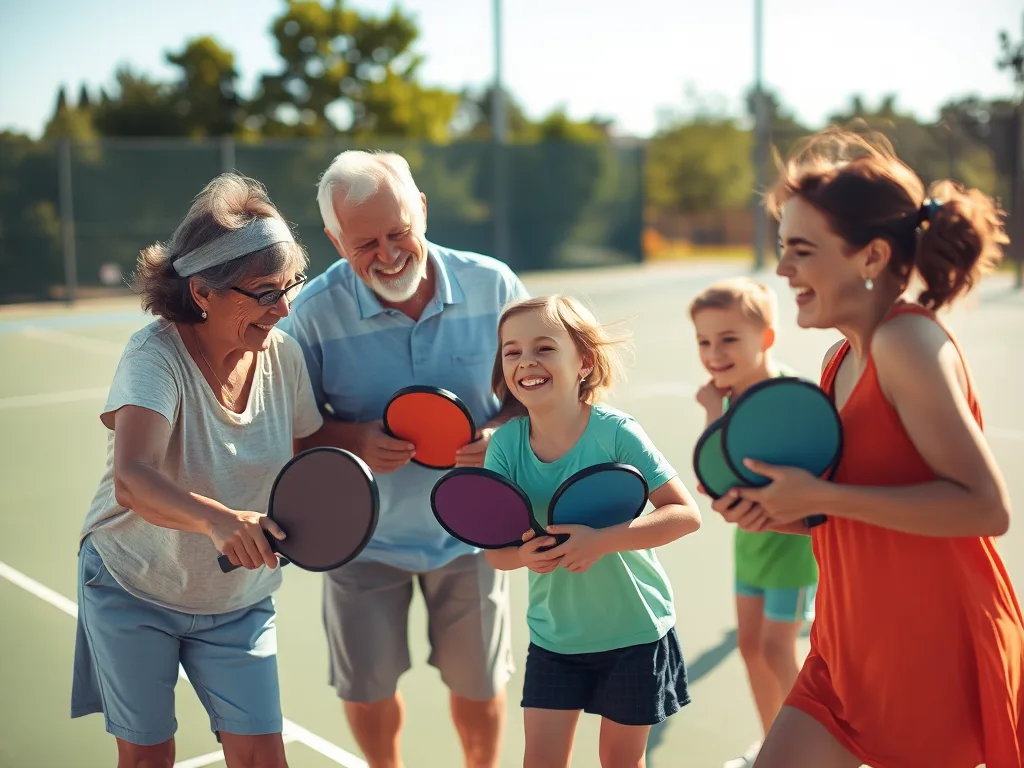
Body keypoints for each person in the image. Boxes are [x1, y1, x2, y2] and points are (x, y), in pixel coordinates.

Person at [709, 127, 1024, 768]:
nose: (783, 270)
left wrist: (823, 495)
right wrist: (783, 511)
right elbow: (856, 511)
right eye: (782, 248)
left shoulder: (905, 343)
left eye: (801, 251)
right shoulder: (838, 359)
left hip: (927, 652)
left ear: (871, 257)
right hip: (845, 645)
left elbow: (985, 508)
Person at [279, 150, 528, 768]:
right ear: (335, 241)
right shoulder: (309, 314)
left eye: (399, 232)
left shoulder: (495, 285)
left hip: (473, 535)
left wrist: (500, 435)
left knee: (480, 686)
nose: (388, 254)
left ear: (421, 208)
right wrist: (353, 439)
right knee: (368, 691)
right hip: (362, 542)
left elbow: (536, 395)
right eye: (365, 243)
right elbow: (285, 433)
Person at [71, 173, 322, 768]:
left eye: (290, 286)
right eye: (265, 292)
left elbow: (311, 456)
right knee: (148, 757)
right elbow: (133, 479)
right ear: (203, 291)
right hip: (133, 583)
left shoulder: (283, 356)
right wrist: (220, 520)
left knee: (263, 756)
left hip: (237, 597)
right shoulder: (154, 356)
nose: (284, 308)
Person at [481, 295, 702, 768]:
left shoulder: (616, 433)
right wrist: (523, 557)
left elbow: (685, 514)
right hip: (555, 637)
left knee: (620, 760)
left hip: (634, 633)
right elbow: (496, 553)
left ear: (583, 362)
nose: (526, 362)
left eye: (544, 348)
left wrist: (602, 541)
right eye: (512, 352)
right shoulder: (504, 447)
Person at [689, 278, 818, 768]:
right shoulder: (725, 399)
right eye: (704, 341)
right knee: (749, 647)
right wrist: (712, 410)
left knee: (776, 648)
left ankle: (816, 750)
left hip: (791, 550)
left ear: (766, 338)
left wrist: (714, 410)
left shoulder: (791, 397)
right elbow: (714, 479)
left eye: (728, 339)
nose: (714, 353)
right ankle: (773, 747)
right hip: (750, 545)